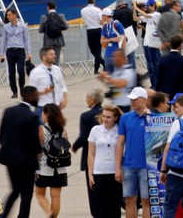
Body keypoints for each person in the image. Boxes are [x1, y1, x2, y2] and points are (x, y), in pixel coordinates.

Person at [0, 86, 42, 218]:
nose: (37, 98)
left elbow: (1, 135)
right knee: (26, 193)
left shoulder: (8, 111)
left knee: (15, 190)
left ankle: (4, 215)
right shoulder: (32, 116)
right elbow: (34, 142)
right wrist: (39, 152)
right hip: (26, 161)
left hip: (9, 159)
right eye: (36, 95)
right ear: (29, 96)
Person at [116, 87, 150, 218]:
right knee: (129, 199)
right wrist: (118, 168)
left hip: (146, 166)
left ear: (144, 100)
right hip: (129, 165)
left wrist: (150, 119)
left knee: (146, 200)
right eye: (131, 99)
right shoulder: (125, 118)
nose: (132, 102)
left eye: (135, 99)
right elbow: (120, 143)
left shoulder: (153, 118)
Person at [72, 88, 104, 218]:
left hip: (92, 156)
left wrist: (75, 145)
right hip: (106, 156)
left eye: (87, 98)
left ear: (92, 100)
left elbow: (85, 135)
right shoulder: (109, 113)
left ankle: (96, 213)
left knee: (93, 188)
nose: (86, 100)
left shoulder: (86, 116)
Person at [88, 104, 124, 218]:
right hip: (99, 172)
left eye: (108, 117)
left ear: (115, 118)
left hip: (115, 172)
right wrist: (90, 173)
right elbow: (91, 153)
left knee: (115, 206)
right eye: (103, 116)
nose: (105, 119)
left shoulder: (120, 131)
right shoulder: (95, 130)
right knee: (102, 206)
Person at [36, 104, 69, 218]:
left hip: (45, 166)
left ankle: (49, 213)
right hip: (60, 167)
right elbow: (66, 146)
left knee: (39, 194)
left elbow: (38, 150)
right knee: (56, 196)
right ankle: (54, 216)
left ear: (46, 114)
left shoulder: (42, 129)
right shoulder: (63, 130)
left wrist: (36, 168)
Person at [0, 8, 32, 99]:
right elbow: (3, 41)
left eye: (9, 15)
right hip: (10, 51)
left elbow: (27, 40)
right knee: (11, 72)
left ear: (15, 15)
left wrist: (29, 52)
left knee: (21, 70)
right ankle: (14, 91)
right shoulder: (6, 27)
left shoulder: (23, 26)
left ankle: (22, 89)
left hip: (20, 50)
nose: (8, 17)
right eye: (7, 15)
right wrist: (1, 53)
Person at [29, 46, 68, 110]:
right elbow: (30, 93)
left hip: (56, 107)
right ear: (44, 57)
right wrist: (43, 92)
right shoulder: (35, 72)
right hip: (43, 107)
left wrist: (65, 99)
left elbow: (63, 86)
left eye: (54, 54)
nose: (54, 56)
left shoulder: (57, 69)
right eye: (51, 54)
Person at [156, 35, 183, 101]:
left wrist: (157, 90)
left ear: (170, 45)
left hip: (166, 91)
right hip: (180, 92)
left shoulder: (163, 60)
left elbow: (159, 77)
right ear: (181, 45)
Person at [82, 0, 105, 74]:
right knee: (98, 50)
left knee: (92, 50)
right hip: (98, 29)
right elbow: (101, 21)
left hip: (90, 30)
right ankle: (103, 63)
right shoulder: (98, 10)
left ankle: (97, 68)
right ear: (94, 1)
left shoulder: (83, 10)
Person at [101, 8, 127, 75]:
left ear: (106, 16)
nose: (101, 17)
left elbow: (123, 38)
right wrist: (112, 39)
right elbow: (101, 41)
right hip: (108, 54)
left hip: (117, 53)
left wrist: (123, 53)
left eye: (102, 15)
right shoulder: (104, 26)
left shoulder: (117, 24)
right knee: (109, 75)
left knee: (118, 74)